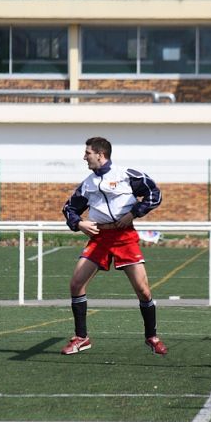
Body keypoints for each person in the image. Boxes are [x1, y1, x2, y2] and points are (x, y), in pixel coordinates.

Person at [61, 136, 167, 356]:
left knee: (143, 290)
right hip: (99, 238)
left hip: (124, 237)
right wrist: (79, 224)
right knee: (76, 284)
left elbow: (154, 194)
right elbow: (69, 208)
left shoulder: (127, 175)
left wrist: (133, 213)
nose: (84, 157)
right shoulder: (87, 184)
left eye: (88, 153)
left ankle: (152, 337)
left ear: (100, 154)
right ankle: (81, 338)